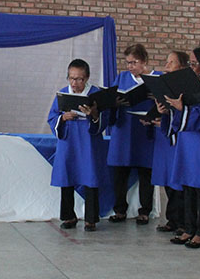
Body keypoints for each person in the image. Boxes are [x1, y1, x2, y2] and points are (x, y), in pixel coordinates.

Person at [164, 45, 200, 249]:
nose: (191, 67)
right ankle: (188, 228)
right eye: (190, 63)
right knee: (188, 185)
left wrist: (184, 109)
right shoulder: (190, 84)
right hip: (188, 139)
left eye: (194, 63)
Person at [48, 59, 108, 232]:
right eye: (71, 78)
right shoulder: (62, 94)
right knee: (67, 176)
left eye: (79, 79)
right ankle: (69, 216)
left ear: (87, 78)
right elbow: (52, 117)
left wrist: (94, 114)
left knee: (90, 177)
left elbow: (105, 118)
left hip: (89, 142)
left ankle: (91, 218)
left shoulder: (96, 94)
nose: (74, 83)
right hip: (69, 141)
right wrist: (62, 118)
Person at [107, 43, 155, 225]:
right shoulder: (121, 78)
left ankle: (145, 211)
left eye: (134, 62)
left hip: (145, 130)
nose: (130, 66)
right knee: (120, 172)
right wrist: (115, 102)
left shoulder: (156, 78)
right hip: (124, 129)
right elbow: (111, 99)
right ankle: (120, 210)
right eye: (127, 62)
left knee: (146, 171)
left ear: (144, 61)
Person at [150, 51, 190, 234]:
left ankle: (184, 222)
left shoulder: (186, 87)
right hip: (167, 137)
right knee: (168, 179)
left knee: (180, 181)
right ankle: (172, 219)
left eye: (171, 62)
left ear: (182, 67)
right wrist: (162, 113)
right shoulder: (165, 85)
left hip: (182, 139)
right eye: (166, 62)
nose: (166, 66)